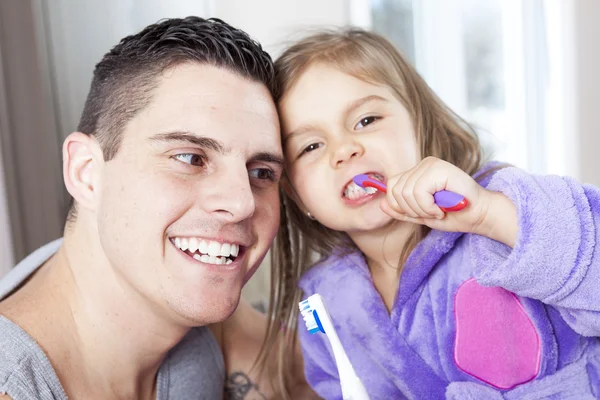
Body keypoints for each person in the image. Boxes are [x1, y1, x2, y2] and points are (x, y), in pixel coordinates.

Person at [265, 28, 600, 399]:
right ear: (296, 195)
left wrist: (489, 216)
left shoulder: (502, 207)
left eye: (366, 120)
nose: (343, 151)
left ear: (419, 123)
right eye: (310, 146)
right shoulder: (326, 304)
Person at [0, 16, 289, 399]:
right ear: (87, 173)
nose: (241, 202)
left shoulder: (190, 296)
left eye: (262, 172)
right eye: (190, 158)